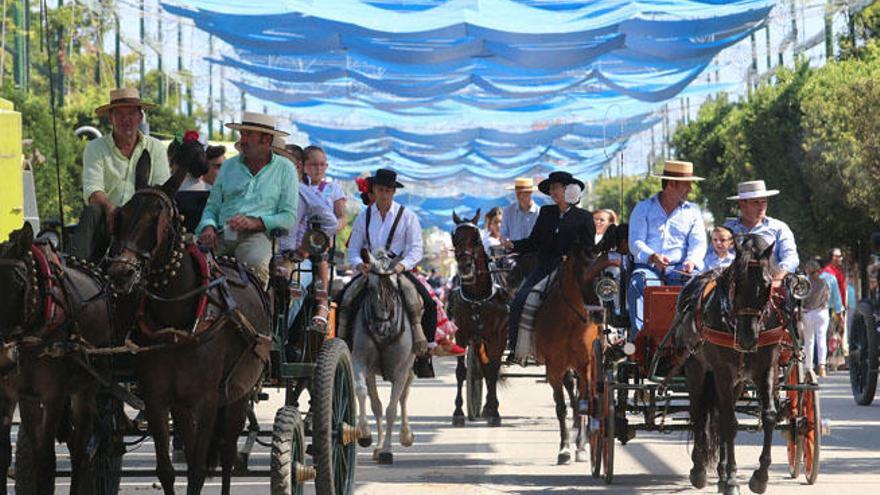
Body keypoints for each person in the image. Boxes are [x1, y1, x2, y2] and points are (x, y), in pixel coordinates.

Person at [196, 112, 298, 286]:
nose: (242, 139)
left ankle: (256, 312)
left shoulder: (285, 169)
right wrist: (208, 226)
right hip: (221, 234)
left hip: (257, 236)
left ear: (266, 139)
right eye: (242, 134)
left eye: (248, 134)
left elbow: (288, 217)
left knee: (255, 263)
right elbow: (212, 207)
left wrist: (255, 222)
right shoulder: (229, 165)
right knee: (191, 267)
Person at [71, 88, 171, 261]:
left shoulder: (156, 148)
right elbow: (92, 189)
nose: (126, 120)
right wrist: (110, 209)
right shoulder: (95, 148)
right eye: (120, 114)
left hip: (142, 223)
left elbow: (161, 191)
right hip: (106, 217)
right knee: (92, 211)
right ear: (111, 117)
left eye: (131, 114)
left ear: (140, 117)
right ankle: (74, 267)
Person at [337, 169, 430, 357]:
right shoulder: (363, 217)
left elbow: (416, 248)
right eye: (380, 190)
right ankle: (343, 344)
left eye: (388, 190)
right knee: (343, 299)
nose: (384, 194)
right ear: (374, 190)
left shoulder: (408, 216)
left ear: (394, 192)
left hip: (398, 269)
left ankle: (424, 352)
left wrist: (402, 265)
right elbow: (354, 249)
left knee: (427, 302)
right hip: (371, 270)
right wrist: (358, 264)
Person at [503, 171, 595, 358]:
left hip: (574, 271)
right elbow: (534, 241)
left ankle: (601, 339)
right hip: (545, 267)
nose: (553, 192)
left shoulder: (584, 217)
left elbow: (589, 248)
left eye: (556, 187)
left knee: (596, 301)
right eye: (551, 188)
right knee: (520, 298)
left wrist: (571, 257)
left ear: (568, 189)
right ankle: (515, 347)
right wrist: (514, 244)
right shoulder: (546, 213)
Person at [628, 160, 707, 336]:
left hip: (681, 268)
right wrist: (652, 256)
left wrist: (691, 261)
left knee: (699, 285)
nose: (690, 189)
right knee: (638, 283)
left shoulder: (693, 211)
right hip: (649, 268)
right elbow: (635, 242)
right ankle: (640, 336)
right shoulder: (643, 208)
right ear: (671, 184)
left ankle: (694, 335)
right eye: (687, 184)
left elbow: (699, 243)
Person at [723, 180, 799, 286]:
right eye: (756, 202)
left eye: (764, 201)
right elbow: (713, 256)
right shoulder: (727, 229)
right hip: (733, 285)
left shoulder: (779, 228)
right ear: (742, 204)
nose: (761, 206)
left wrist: (779, 277)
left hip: (771, 282)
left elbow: (791, 257)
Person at [303, 146, 347, 235]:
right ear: (303, 165)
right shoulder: (298, 188)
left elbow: (342, 218)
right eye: (314, 164)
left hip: (325, 244)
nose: (319, 168)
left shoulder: (334, 189)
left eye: (322, 164)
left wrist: (328, 230)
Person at [803, 261, 831, 378]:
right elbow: (827, 297)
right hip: (821, 311)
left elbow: (802, 299)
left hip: (808, 312)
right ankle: (822, 366)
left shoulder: (805, 283)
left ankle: (809, 367)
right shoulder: (824, 282)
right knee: (821, 339)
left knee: (809, 341)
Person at [818, 264, 845, 376]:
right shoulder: (831, 278)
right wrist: (840, 314)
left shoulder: (809, 277)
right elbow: (837, 297)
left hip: (811, 310)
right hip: (827, 310)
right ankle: (823, 364)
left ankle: (816, 363)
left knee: (814, 338)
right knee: (824, 337)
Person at [501, 177, 540, 242]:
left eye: (523, 192)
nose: (519, 195)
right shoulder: (507, 211)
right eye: (517, 192)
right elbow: (503, 234)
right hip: (512, 250)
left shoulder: (539, 213)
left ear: (530, 192)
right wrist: (506, 242)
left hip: (532, 251)